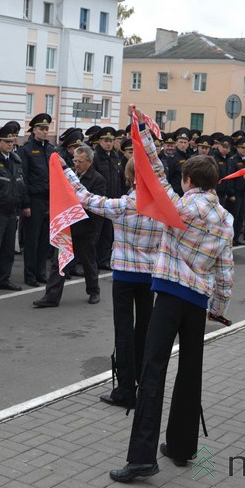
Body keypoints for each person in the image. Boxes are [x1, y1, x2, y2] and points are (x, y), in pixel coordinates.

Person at [110, 106, 233, 483]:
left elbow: (153, 172)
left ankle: (142, 456)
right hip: (197, 301)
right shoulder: (225, 219)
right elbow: (224, 268)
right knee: (190, 373)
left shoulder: (181, 207)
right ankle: (182, 445)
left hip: (170, 295)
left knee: (153, 373)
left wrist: (142, 135)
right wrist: (220, 305)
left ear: (188, 179)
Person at [60, 151, 161, 410]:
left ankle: (126, 389)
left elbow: (85, 198)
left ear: (129, 177)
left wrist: (66, 170)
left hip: (126, 275)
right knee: (146, 330)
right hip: (150, 275)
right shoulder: (162, 204)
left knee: (124, 331)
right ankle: (145, 383)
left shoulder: (125, 204)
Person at [33, 145, 104, 308]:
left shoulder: (98, 179)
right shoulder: (68, 175)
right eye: (75, 160)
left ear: (90, 162)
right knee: (59, 264)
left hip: (86, 228)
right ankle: (51, 297)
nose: (76, 164)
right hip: (67, 227)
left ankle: (94, 291)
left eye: (80, 161)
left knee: (88, 262)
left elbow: (95, 206)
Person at [0, 121, 30, 296]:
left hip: (11, 211)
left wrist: (23, 205)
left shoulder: (16, 160)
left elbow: (20, 185)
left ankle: (4, 278)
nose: (10, 145)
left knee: (8, 248)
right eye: (7, 142)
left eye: (12, 142)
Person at [17, 113, 56, 288]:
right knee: (31, 240)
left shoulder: (50, 150)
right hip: (33, 199)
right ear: (34, 130)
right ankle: (30, 274)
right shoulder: (26, 150)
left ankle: (41, 272)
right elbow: (23, 177)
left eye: (47, 129)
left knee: (45, 239)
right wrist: (25, 203)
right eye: (41, 129)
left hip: (49, 200)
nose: (44, 132)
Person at [92, 127, 124, 270]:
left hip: (113, 200)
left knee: (108, 232)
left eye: (111, 141)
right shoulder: (96, 157)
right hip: (99, 200)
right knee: (96, 232)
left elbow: (119, 178)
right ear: (100, 141)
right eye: (106, 141)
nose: (109, 143)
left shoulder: (115, 156)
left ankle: (103, 259)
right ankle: (93, 259)